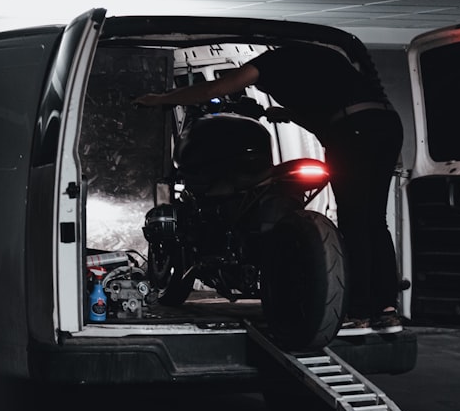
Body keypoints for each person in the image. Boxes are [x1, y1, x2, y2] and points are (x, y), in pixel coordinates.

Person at [134, 44, 404, 336]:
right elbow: (327, 103)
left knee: (354, 221)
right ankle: (387, 311)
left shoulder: (269, 61)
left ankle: (360, 311)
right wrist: (286, 113)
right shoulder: (327, 56)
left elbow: (215, 88)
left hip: (352, 130)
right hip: (386, 124)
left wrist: (162, 98)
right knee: (375, 221)